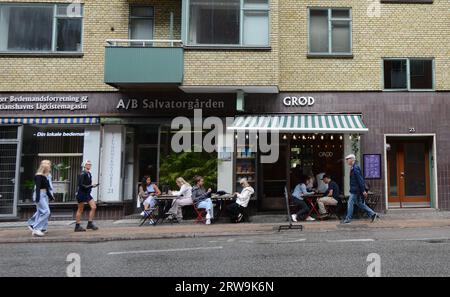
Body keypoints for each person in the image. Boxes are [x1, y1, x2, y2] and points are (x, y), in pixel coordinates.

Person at [343, 154, 379, 224]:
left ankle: (348, 219)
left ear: (352, 159)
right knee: (359, 203)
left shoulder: (355, 168)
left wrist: (363, 191)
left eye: (348, 159)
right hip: (356, 190)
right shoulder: (353, 167)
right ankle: (373, 214)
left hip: (356, 190)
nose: (346, 161)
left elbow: (360, 180)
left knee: (350, 202)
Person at [27, 160, 54, 237]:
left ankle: (37, 227)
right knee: (46, 212)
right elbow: (38, 187)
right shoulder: (38, 176)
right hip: (40, 195)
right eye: (49, 166)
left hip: (44, 194)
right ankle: (36, 228)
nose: (50, 168)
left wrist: (50, 196)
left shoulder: (46, 176)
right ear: (45, 168)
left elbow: (47, 188)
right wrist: (37, 197)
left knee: (41, 212)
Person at [74, 160, 100, 232]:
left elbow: (87, 185)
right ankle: (77, 226)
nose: (89, 165)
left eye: (90, 164)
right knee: (80, 209)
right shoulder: (82, 174)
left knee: (94, 207)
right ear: (84, 165)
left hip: (87, 194)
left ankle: (90, 223)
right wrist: (91, 186)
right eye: (88, 164)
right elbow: (81, 185)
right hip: (82, 194)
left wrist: (91, 186)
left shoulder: (89, 173)